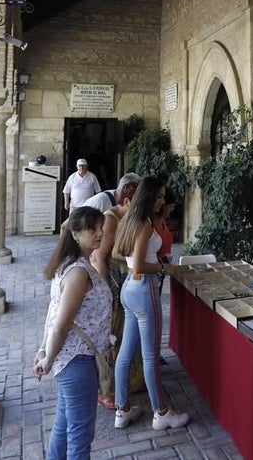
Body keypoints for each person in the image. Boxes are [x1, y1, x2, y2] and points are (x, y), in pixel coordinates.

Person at [32, 207, 112, 460]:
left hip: (74, 358)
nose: (100, 233)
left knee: (65, 423)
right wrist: (47, 356)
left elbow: (53, 311)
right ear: (76, 235)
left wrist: (45, 350)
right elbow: (61, 324)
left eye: (101, 226)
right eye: (92, 228)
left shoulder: (76, 265)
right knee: (80, 434)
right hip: (76, 359)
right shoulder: (77, 272)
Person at [111, 177, 190, 431]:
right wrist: (162, 267)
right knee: (150, 357)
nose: (162, 202)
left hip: (129, 290)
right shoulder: (144, 224)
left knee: (125, 354)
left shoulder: (131, 220)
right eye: (158, 197)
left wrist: (138, 263)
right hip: (144, 289)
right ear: (148, 197)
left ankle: (122, 409)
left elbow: (117, 253)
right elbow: (140, 264)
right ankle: (161, 412)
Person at [89, 175, 142, 410]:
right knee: (109, 335)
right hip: (111, 284)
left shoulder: (130, 217)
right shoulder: (111, 218)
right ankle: (105, 388)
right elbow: (100, 257)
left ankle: (128, 379)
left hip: (124, 282)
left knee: (123, 334)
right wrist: (103, 292)